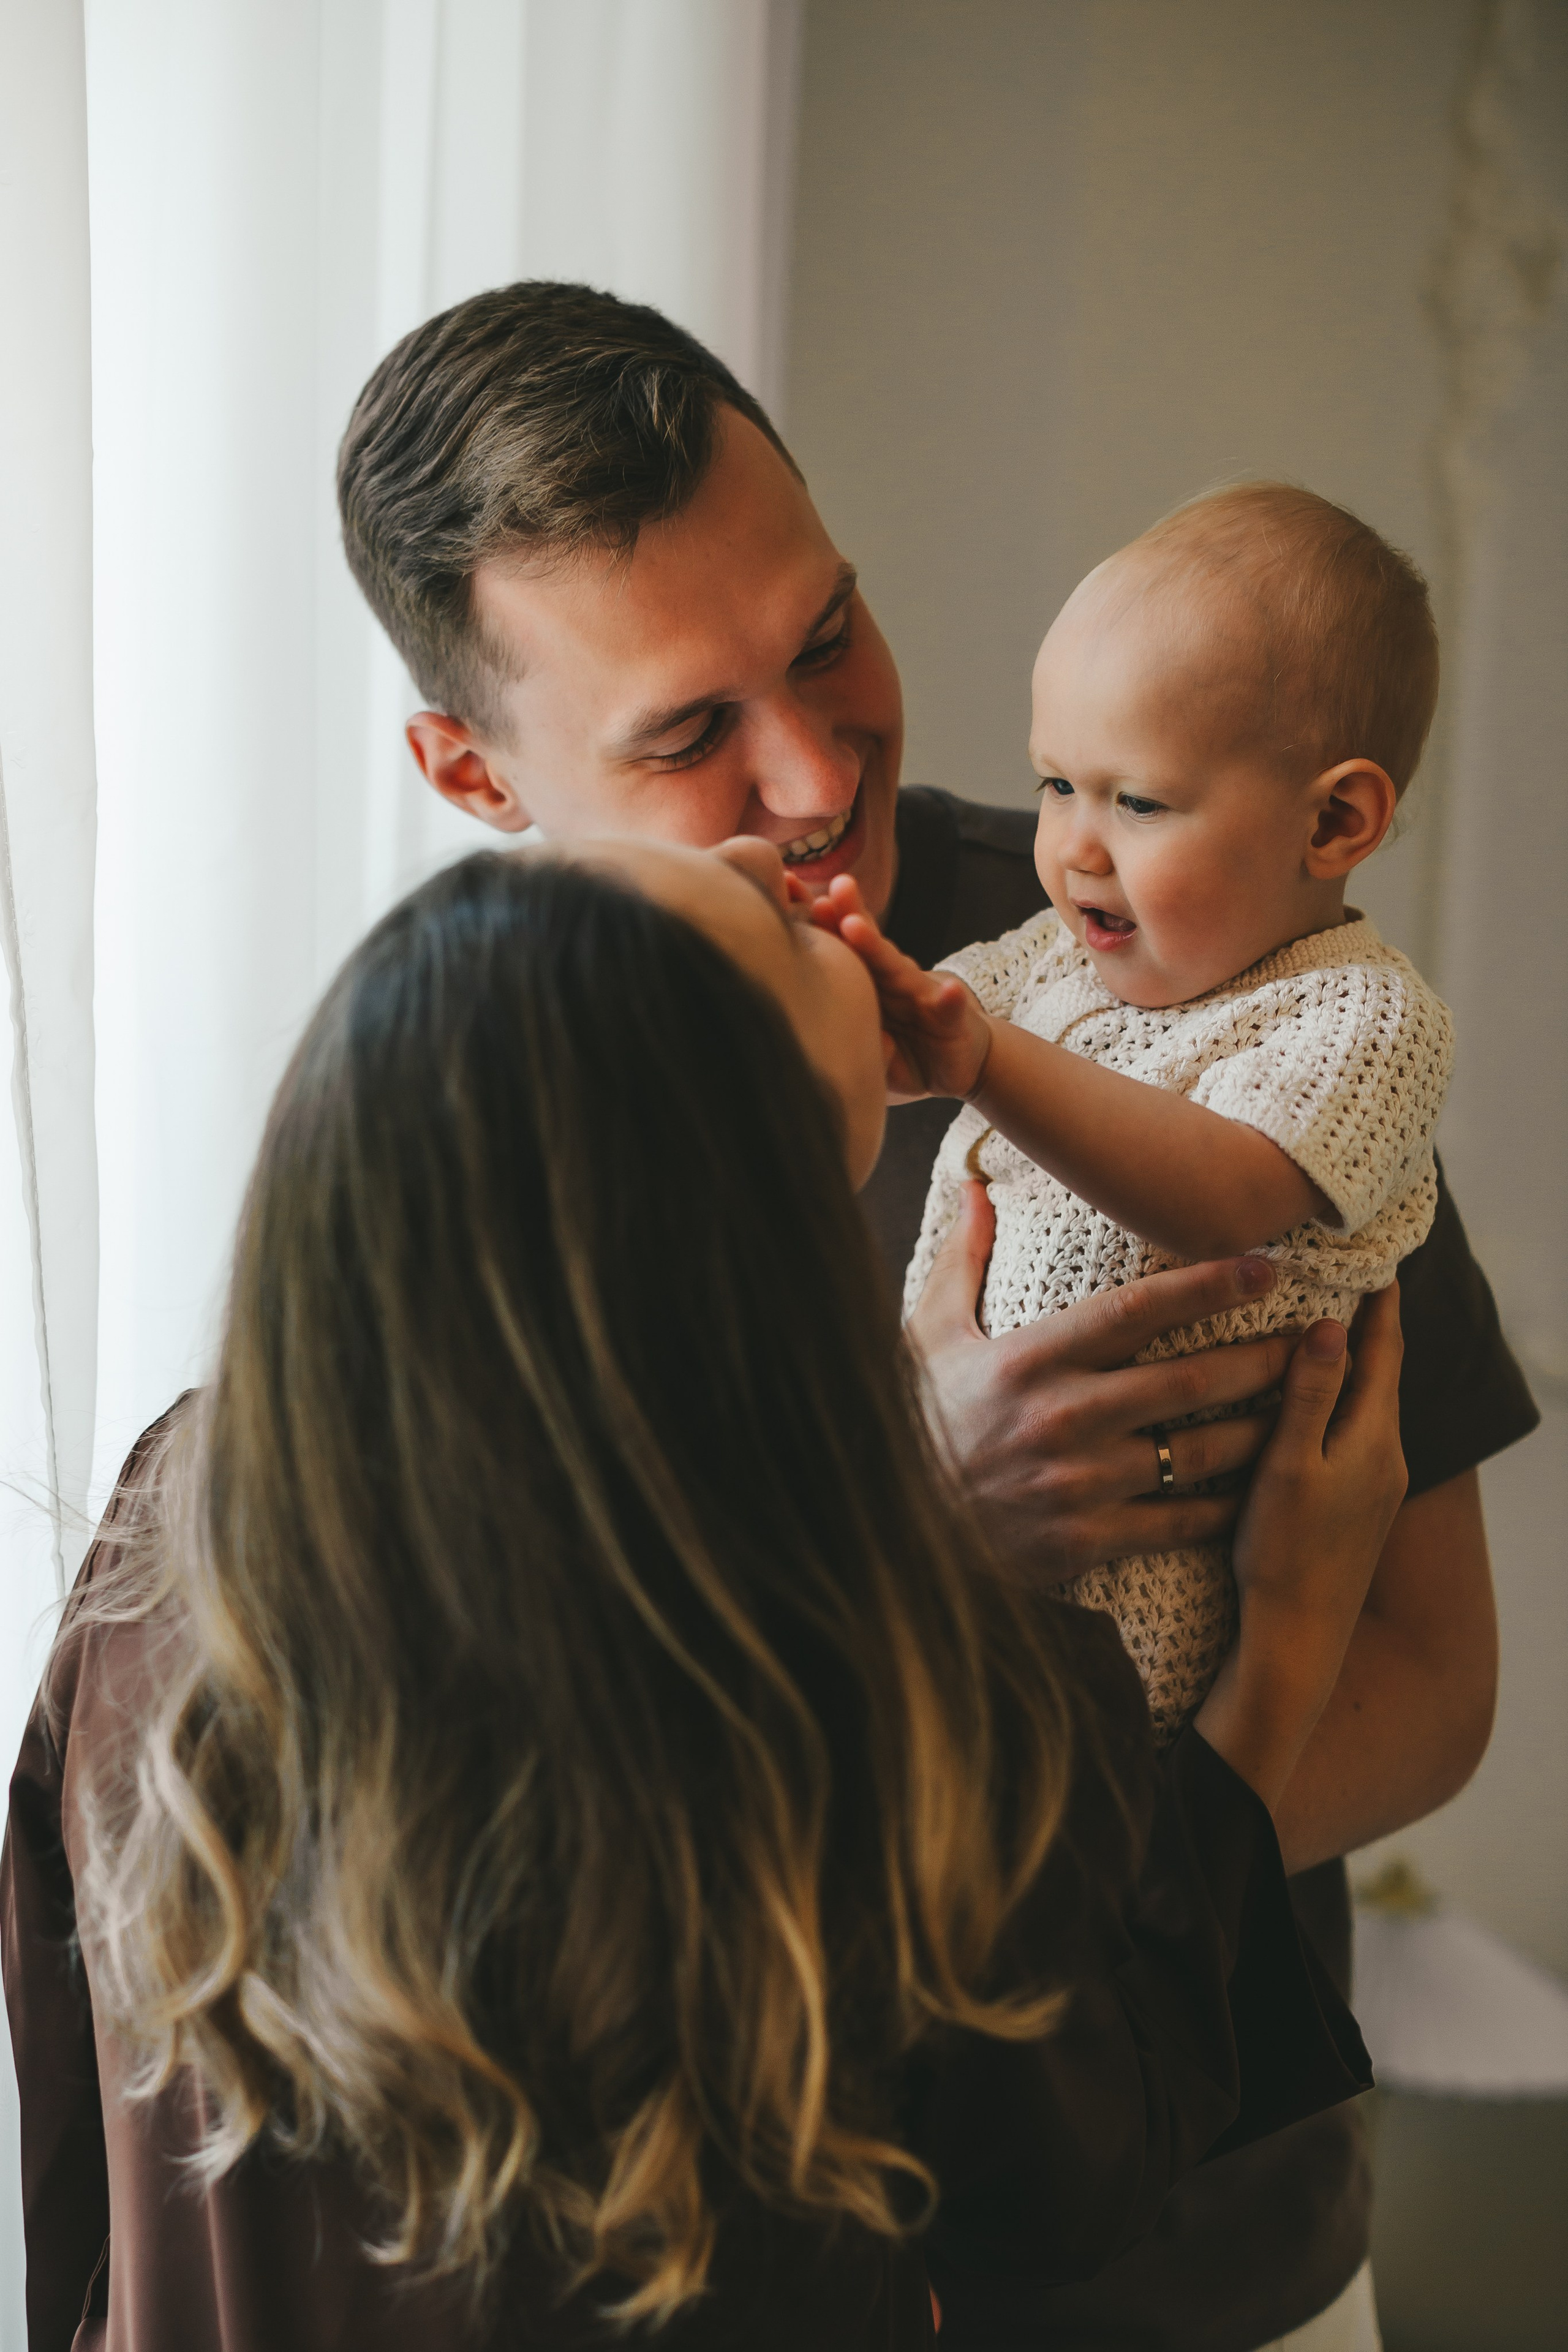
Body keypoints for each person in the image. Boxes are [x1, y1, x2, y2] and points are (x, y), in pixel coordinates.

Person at [334, 284, 1536, 2348]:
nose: (821, 777)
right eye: (691, 731)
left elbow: (1427, 1670)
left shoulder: (1198, 974)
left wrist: (1118, 1899)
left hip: (1214, 2249)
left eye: (826, 639)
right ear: (470, 771)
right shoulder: (450, 1126)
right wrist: (914, 1551)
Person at [6, 839, 1395, 2348]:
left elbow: (66, 2051)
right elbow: (1066, 2173)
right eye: (765, 922)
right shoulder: (852, 1670)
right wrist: (1279, 1672)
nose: (787, 870)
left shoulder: (176, 1507)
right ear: (750, 1193)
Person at [816, 484, 1453, 1752]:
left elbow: (1221, 1197)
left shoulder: (1359, 1018)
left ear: (1333, 820)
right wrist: (850, 1005)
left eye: (1138, 803)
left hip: (1145, 1626)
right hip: (952, 1581)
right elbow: (900, 1045)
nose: (1072, 850)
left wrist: (980, 1061)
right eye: (1055, 784)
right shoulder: (1056, 957)